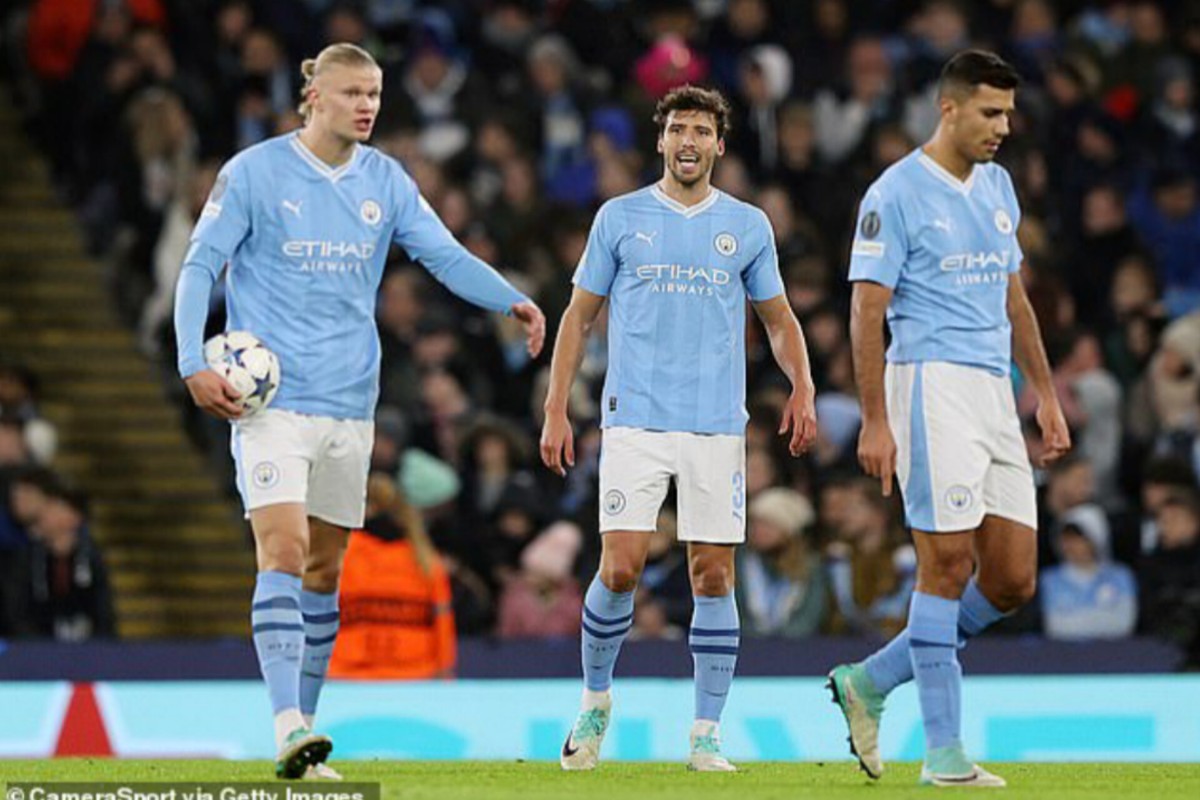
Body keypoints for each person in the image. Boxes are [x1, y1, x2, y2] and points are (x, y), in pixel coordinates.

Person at [172, 43, 544, 780]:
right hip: (272, 404)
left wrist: (512, 301)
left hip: (350, 405)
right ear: (313, 95)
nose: (367, 105)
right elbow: (199, 264)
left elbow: (443, 254)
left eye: (373, 93)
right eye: (352, 93)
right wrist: (191, 361)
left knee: (323, 570)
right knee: (281, 550)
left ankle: (305, 743)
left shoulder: (386, 180)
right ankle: (286, 724)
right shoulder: (253, 173)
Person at [539, 84, 818, 772]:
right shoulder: (620, 217)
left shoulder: (747, 225)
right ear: (661, 140)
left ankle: (705, 734)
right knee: (620, 566)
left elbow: (779, 320)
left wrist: (803, 385)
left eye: (701, 131)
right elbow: (578, 316)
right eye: (678, 130)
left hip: (715, 424)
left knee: (714, 574)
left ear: (719, 144)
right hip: (633, 418)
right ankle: (596, 700)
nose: (688, 141)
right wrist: (556, 406)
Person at [827, 51, 1071, 788]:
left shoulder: (998, 186)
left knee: (1012, 579)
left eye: (1009, 114)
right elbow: (866, 312)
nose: (1004, 127)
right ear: (949, 108)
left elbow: (1013, 297)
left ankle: (869, 680)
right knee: (946, 565)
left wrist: (1045, 393)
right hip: (930, 384)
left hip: (995, 391)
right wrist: (875, 420)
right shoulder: (894, 193)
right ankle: (944, 755)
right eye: (991, 113)